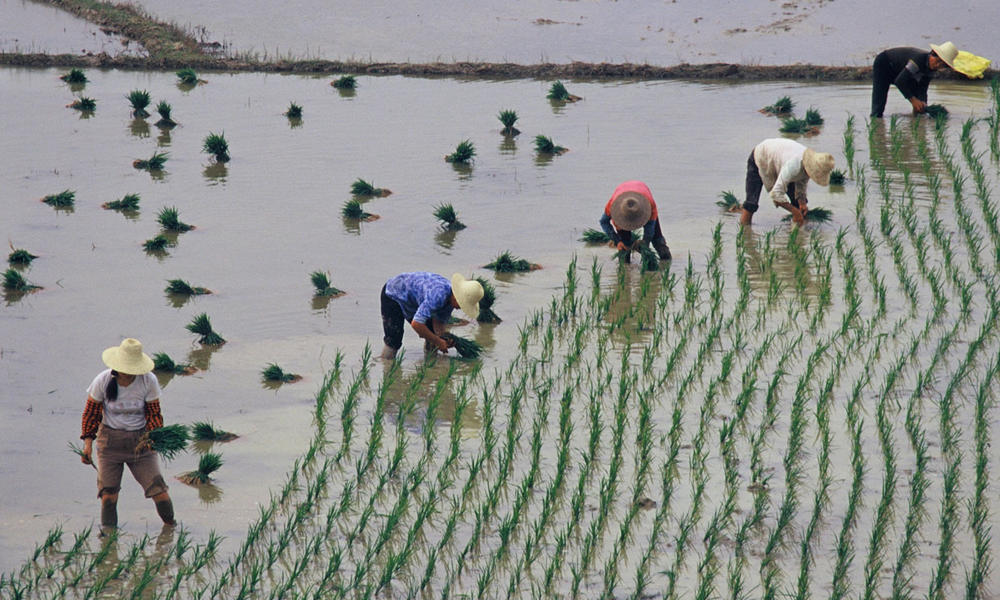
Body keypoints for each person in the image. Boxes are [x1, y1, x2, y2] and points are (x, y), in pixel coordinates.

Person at [79, 338, 175, 534]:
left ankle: (171, 530)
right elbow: (91, 414)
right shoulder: (103, 381)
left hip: (140, 443)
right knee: (108, 495)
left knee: (159, 491)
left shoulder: (149, 381)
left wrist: (153, 438)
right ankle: (108, 538)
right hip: (109, 444)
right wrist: (87, 445)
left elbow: (154, 414)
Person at [380, 272, 483, 360]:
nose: (460, 308)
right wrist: (437, 341)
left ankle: (430, 365)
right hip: (393, 293)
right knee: (394, 340)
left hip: (413, 300)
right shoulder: (438, 296)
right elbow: (416, 324)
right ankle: (386, 364)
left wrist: (444, 339)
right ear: (457, 298)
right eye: (462, 305)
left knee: (431, 334)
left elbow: (439, 325)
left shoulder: (449, 301)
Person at [740, 138, 835, 226]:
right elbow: (776, 194)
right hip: (761, 156)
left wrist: (802, 203)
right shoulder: (794, 165)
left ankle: (799, 235)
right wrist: (795, 212)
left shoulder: (808, 164)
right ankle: (745, 233)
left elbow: (802, 182)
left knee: (797, 204)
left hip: (780, 161)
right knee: (751, 203)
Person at [870, 42, 959, 118]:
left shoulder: (931, 70)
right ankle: (876, 122)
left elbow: (922, 88)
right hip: (885, 63)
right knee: (878, 107)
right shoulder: (919, 59)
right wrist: (913, 100)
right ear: (932, 54)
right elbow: (900, 81)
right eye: (937, 61)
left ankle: (915, 121)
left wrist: (923, 103)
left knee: (918, 104)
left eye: (942, 65)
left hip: (901, 71)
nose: (937, 65)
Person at [599, 180, 672, 260]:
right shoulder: (612, 206)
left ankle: (666, 261)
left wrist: (645, 243)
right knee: (624, 245)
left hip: (641, 193)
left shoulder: (649, 205)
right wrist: (617, 241)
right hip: (623, 197)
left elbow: (650, 229)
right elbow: (603, 222)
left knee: (658, 240)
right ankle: (625, 268)